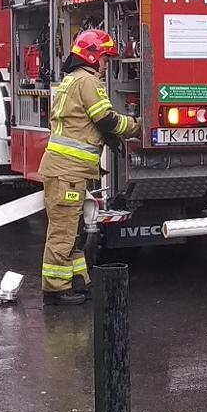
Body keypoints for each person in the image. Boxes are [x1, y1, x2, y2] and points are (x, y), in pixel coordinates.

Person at [41, 28, 140, 305]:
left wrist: (109, 139)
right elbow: (105, 118)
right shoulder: (88, 81)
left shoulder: (73, 80)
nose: (107, 65)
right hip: (67, 171)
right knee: (63, 230)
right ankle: (55, 289)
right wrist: (135, 127)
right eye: (105, 59)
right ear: (92, 56)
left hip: (67, 171)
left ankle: (77, 282)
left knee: (72, 230)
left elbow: (85, 121)